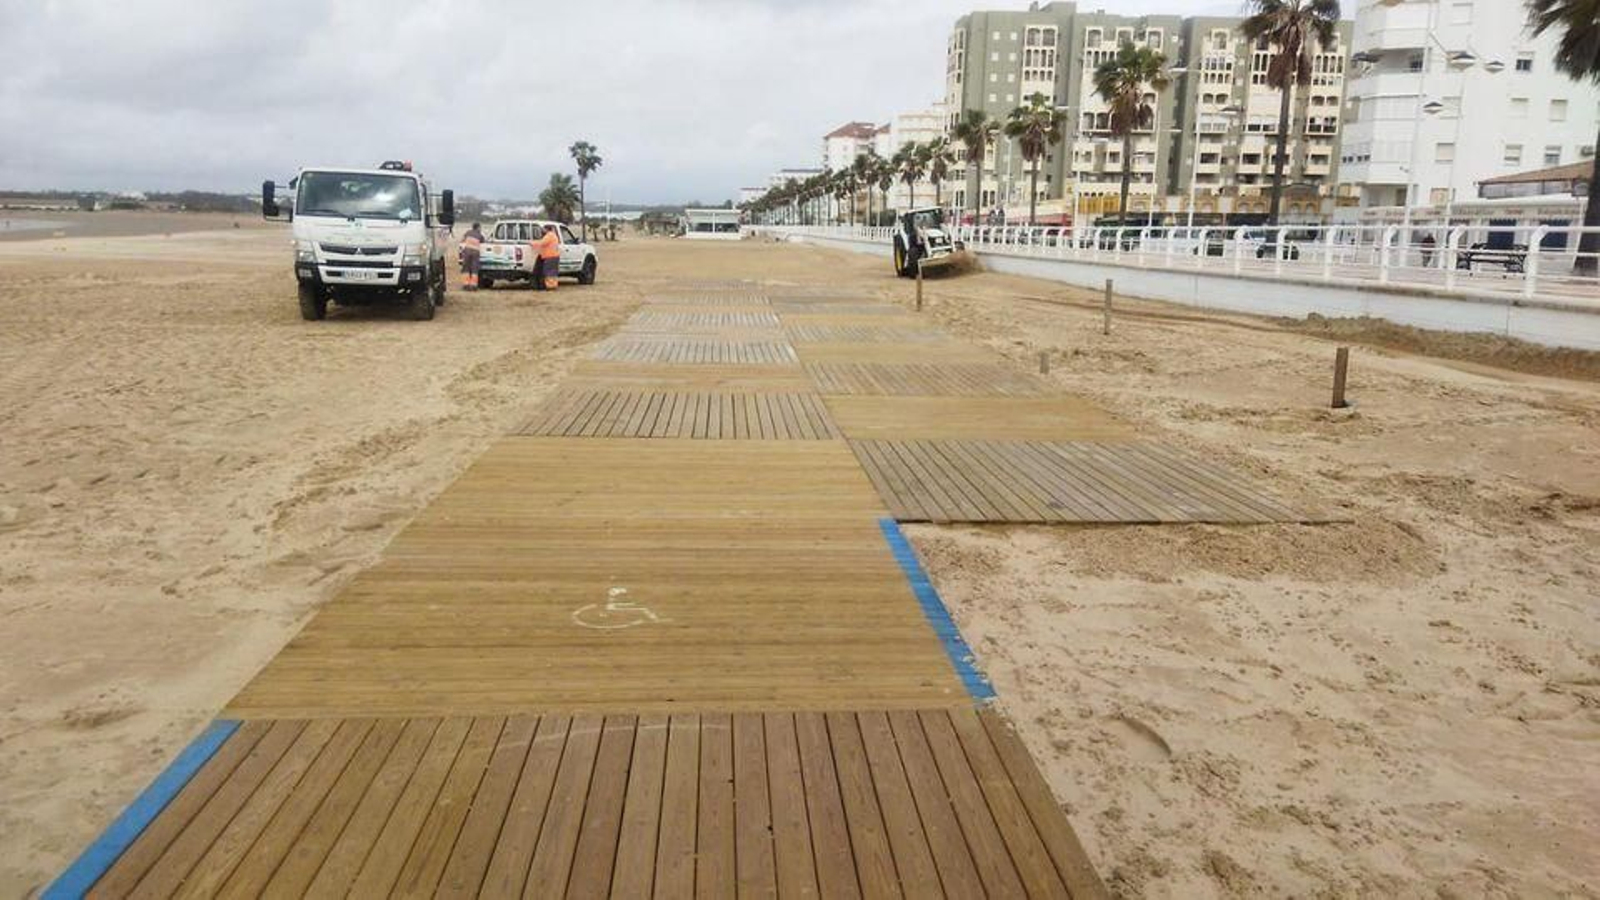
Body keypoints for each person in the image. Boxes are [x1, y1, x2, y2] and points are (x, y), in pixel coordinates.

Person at [535, 223, 561, 291]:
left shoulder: (549, 236)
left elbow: (542, 243)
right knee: (553, 272)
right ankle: (553, 285)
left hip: (550, 256)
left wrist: (532, 243)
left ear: (546, 229)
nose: (542, 231)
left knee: (548, 272)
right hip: (554, 256)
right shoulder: (554, 235)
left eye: (543, 229)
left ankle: (549, 286)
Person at [458, 222, 483, 290]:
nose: (481, 229)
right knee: (474, 269)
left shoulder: (468, 232)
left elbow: (462, 240)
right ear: (477, 227)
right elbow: (483, 243)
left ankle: (466, 285)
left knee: (466, 268)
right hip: (475, 253)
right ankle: (473, 286)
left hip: (467, 252)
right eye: (480, 227)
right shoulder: (480, 235)